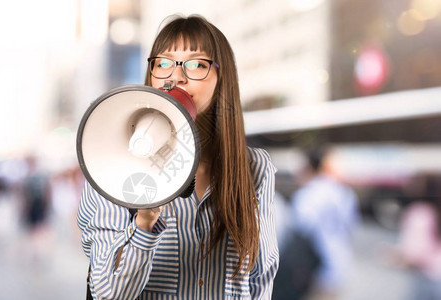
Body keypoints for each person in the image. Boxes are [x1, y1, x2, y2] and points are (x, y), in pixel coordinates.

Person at [77, 15, 279, 299]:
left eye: (196, 64)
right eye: (163, 63)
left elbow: (261, 276)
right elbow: (108, 294)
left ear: (223, 79)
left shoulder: (254, 169)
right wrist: (145, 220)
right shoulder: (109, 169)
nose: (176, 76)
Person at [290, 147, 359, 300]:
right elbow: (351, 227)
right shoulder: (344, 192)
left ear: (309, 167)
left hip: (316, 268)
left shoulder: (307, 195)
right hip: (340, 262)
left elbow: (301, 234)